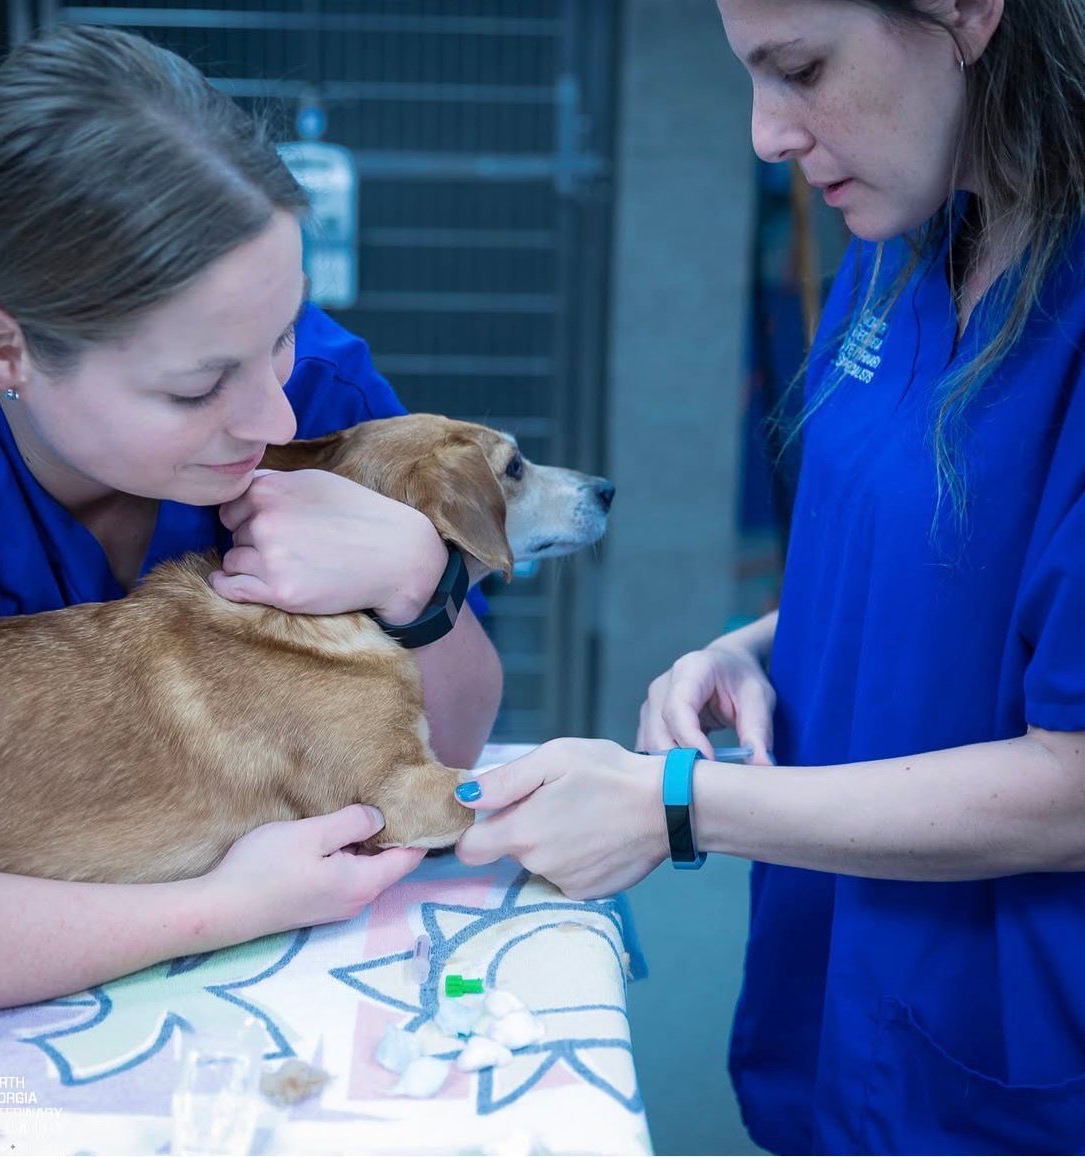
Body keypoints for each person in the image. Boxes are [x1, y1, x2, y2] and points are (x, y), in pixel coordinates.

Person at [455, 0, 1085, 1151]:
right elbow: (932, 571)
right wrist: (754, 647)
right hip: (838, 965)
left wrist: (683, 805)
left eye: (800, 68)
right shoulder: (896, 242)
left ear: (968, 12)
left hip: (1006, 1025)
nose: (766, 134)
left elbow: (1077, 776)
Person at [0, 25, 502, 1015]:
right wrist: (220, 905)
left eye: (279, 333)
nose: (275, 421)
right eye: (197, 386)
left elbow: (442, 749)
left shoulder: (321, 387)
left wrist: (417, 582)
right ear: (3, 349)